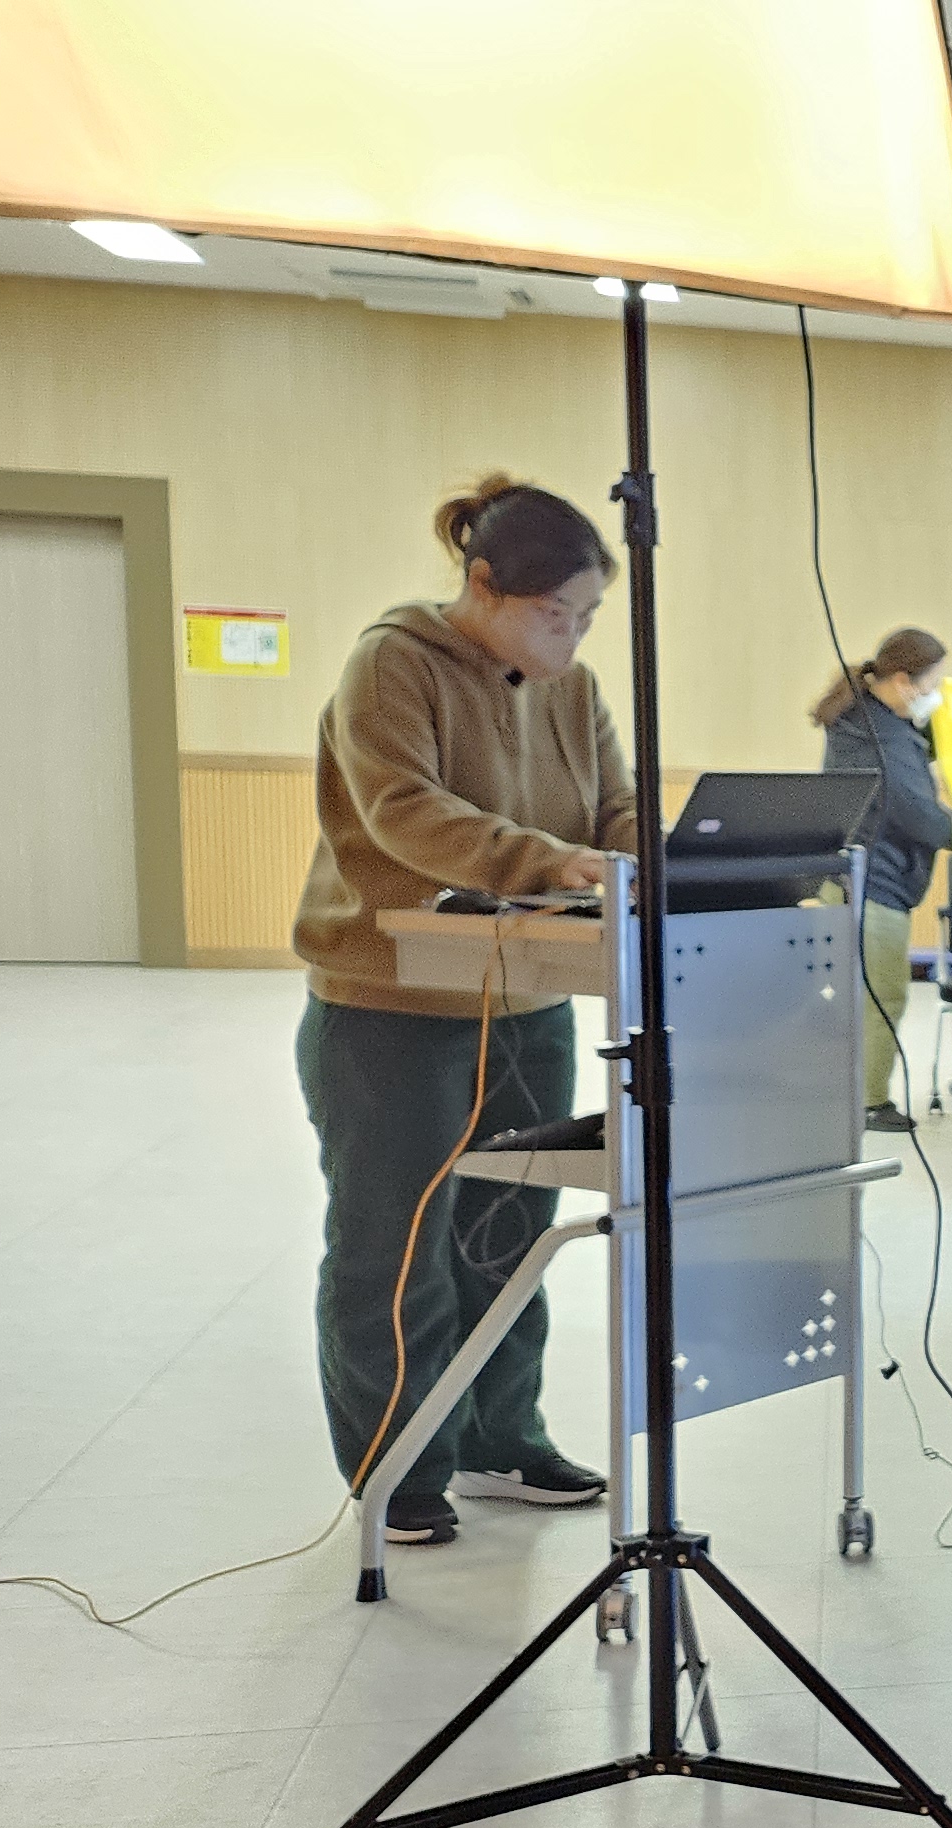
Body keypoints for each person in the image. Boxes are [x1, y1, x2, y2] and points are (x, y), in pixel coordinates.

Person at [292, 475, 642, 1549]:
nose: (572, 637)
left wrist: (656, 858)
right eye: (554, 613)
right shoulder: (391, 663)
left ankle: (499, 1439)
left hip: (529, 995)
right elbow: (404, 811)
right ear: (483, 585)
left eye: (587, 616)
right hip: (391, 1006)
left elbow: (615, 807)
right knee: (397, 1246)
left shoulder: (576, 691)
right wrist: (552, 860)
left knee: (510, 1238)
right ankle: (399, 1466)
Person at [814, 626, 952, 1132]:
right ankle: (870, 1102)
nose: (935, 693)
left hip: (852, 879)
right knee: (882, 996)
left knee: (854, 995)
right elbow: (915, 812)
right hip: (874, 884)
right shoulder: (882, 737)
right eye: (932, 683)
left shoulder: (865, 721)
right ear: (903, 681)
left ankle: (845, 1094)